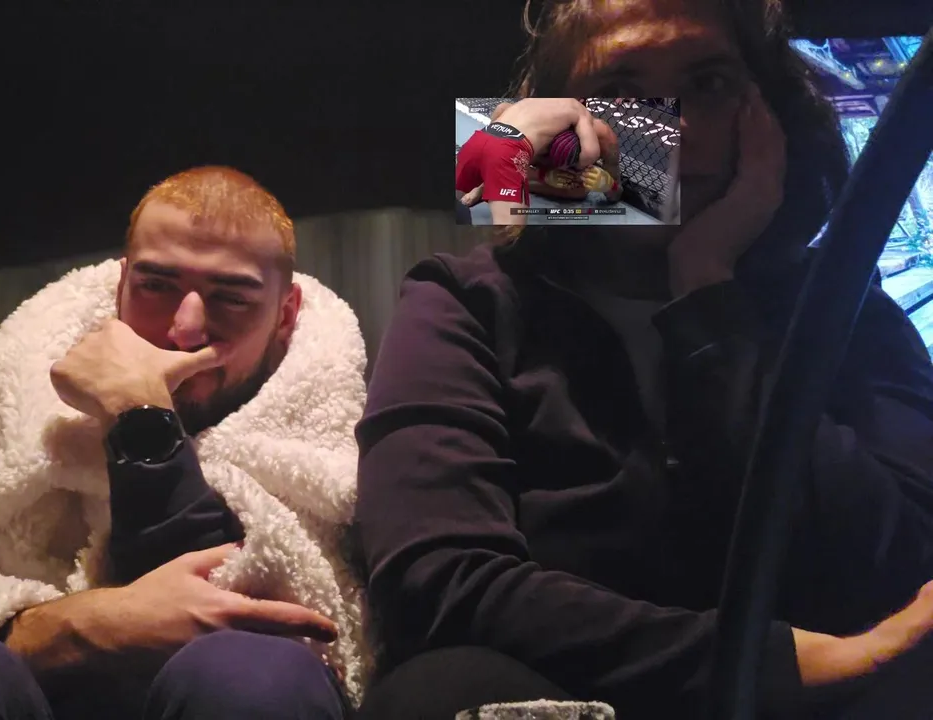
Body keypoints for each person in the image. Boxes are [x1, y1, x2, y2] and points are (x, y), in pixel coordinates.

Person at [355, 1, 933, 718]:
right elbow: (435, 581)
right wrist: (766, 664)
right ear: (558, 124)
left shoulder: (842, 305)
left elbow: (901, 564)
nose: (676, 131)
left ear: (772, 117)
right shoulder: (467, 302)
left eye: (710, 84)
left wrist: (707, 293)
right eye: (622, 93)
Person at [0, 166, 367, 720]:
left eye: (231, 296)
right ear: (121, 285)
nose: (185, 328)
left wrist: (140, 412)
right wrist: (63, 627)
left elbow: (271, 617)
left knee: (254, 674)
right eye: (156, 285)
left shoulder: (332, 437)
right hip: (20, 686)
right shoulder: (2, 398)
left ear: (285, 315)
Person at [457, 100, 624, 223]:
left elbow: (616, 194)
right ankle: (486, 184)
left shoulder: (604, 137)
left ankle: (492, 183)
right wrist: (543, 175)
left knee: (580, 190)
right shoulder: (531, 120)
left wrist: (609, 185)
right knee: (510, 231)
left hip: (492, 150)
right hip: (511, 158)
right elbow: (508, 160)